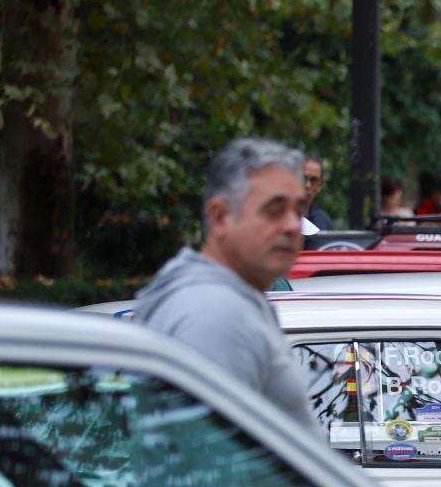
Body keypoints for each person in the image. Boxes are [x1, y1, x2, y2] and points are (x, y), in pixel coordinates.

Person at [133, 138, 315, 430]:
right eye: (274, 210)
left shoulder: (213, 297)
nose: (293, 225)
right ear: (220, 218)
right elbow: (209, 462)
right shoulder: (216, 315)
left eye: (298, 210)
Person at [300, 155, 334, 231]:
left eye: (313, 180)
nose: (307, 185)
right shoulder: (276, 217)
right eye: (303, 178)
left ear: (320, 186)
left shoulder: (322, 222)